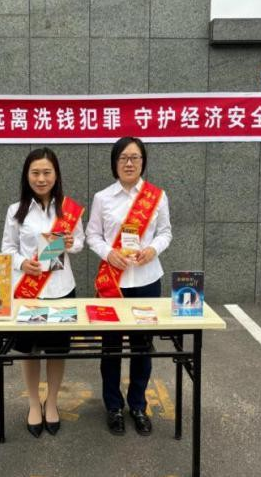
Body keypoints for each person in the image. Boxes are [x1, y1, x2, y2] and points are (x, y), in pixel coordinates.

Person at [86, 137, 172, 436]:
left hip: (147, 280)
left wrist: (153, 250)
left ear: (143, 161)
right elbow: (92, 235)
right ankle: (113, 406)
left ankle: (137, 405)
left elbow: (165, 232)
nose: (129, 163)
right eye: (123, 157)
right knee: (110, 347)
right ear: (115, 162)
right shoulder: (102, 198)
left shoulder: (157, 196)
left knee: (142, 347)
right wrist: (108, 253)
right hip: (113, 282)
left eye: (135, 157)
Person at [1, 147, 84, 438]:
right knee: (30, 351)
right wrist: (22, 263)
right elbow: (7, 248)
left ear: (56, 175)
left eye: (47, 172)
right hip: (29, 291)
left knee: (57, 350)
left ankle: (52, 402)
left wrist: (72, 243)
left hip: (61, 289)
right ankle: (34, 403)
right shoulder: (16, 210)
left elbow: (80, 243)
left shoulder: (68, 209)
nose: (41, 178)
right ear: (27, 175)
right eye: (35, 172)